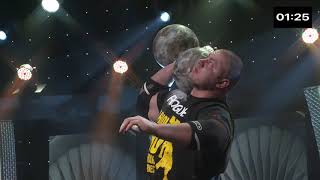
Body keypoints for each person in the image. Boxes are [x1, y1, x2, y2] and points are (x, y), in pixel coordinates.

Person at [119, 46, 243, 180]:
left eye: (211, 64)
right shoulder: (177, 96)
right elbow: (147, 95)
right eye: (206, 58)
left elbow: (204, 133)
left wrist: (153, 128)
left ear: (222, 83)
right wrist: (179, 63)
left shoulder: (217, 113)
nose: (201, 61)